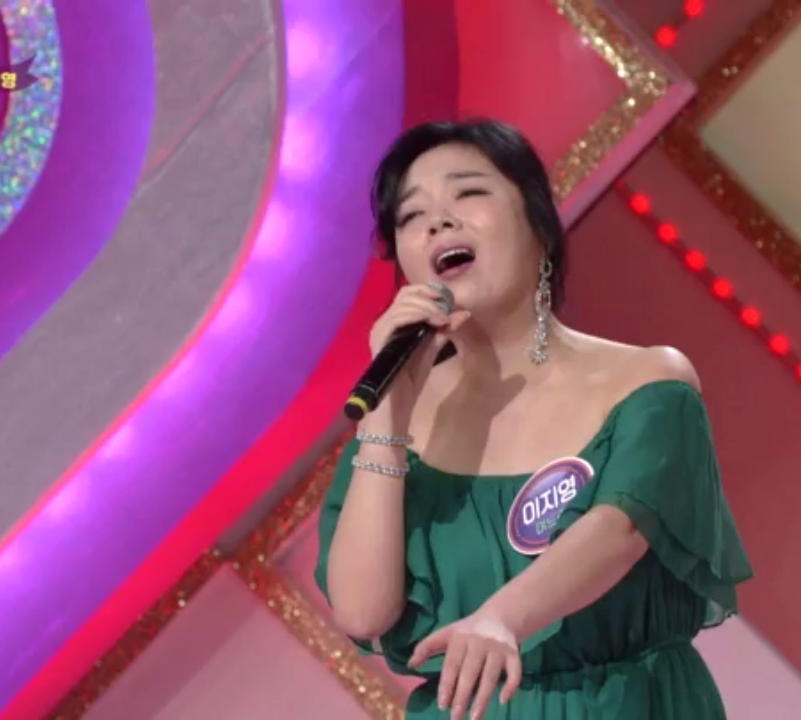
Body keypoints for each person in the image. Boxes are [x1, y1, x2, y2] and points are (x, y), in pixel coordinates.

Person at [313, 119, 753, 720]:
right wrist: (386, 424)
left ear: (539, 225)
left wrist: (502, 619)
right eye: (411, 215)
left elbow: (621, 530)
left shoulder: (647, 379)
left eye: (468, 192)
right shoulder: (398, 420)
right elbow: (363, 612)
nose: (438, 222)